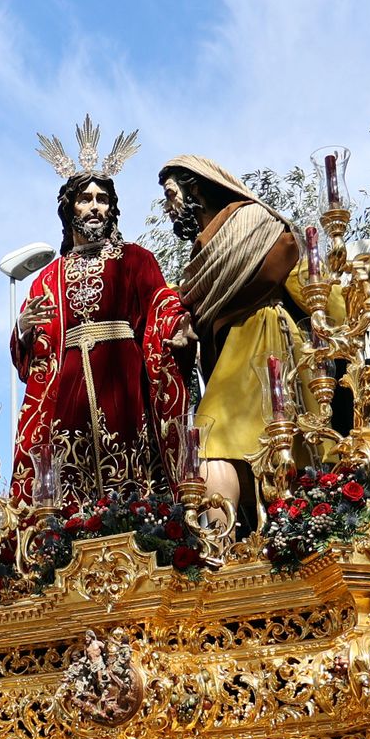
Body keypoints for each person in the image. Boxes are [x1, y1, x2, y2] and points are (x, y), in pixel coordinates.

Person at [10, 118, 191, 503]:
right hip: (68, 398)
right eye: (86, 198)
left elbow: (161, 300)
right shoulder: (48, 276)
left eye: (102, 199)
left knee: (135, 479)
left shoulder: (136, 259)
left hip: (126, 386)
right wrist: (23, 330)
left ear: (112, 209)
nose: (95, 207)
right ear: (69, 208)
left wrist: (175, 323)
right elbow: (31, 353)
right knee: (71, 487)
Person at [157, 156, 305, 523]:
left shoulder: (255, 224)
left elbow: (300, 272)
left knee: (213, 442)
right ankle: (228, 552)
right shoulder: (204, 253)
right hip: (229, 356)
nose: (167, 207)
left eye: (171, 193)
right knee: (231, 450)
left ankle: (220, 555)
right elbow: (195, 300)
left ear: (195, 187)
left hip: (264, 344)